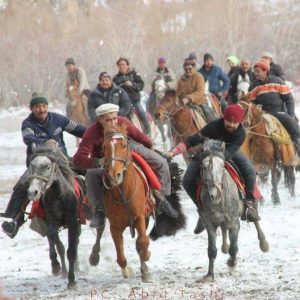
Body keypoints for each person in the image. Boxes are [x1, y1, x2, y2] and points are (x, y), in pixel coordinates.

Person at [73, 103, 178, 228]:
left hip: (128, 148)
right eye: (108, 120)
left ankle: (162, 198)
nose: (112, 122)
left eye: (114, 118)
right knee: (91, 175)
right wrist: (99, 161)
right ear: (100, 119)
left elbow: (141, 137)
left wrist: (151, 147)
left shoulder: (123, 122)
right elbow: (78, 159)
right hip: (106, 157)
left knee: (161, 162)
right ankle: (99, 211)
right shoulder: (92, 132)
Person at [0, 93, 86, 238]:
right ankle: (15, 221)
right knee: (22, 186)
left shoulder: (59, 119)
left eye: (44, 106)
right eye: (38, 106)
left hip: (61, 161)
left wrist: (98, 133)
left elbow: (80, 130)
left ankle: (98, 209)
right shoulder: (28, 124)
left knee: (91, 170)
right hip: (37, 165)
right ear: (32, 108)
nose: (42, 109)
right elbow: (29, 139)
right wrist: (44, 142)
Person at [167, 104, 260, 234]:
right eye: (229, 121)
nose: (232, 125)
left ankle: (250, 205)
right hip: (208, 150)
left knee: (250, 171)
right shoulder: (214, 126)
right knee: (187, 180)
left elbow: (228, 154)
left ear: (239, 122)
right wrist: (173, 152)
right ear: (224, 119)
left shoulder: (240, 134)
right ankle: (202, 210)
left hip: (229, 152)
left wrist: (218, 157)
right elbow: (192, 140)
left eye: (235, 123)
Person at [248, 59, 300, 155]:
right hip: (263, 115)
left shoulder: (278, 81)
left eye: (258, 71)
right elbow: (251, 103)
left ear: (265, 71)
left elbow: (289, 99)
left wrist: (291, 114)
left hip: (279, 113)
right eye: (254, 71)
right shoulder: (253, 87)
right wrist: (256, 108)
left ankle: (297, 150)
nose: (255, 73)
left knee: (294, 127)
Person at [113, 58, 150, 136]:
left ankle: (148, 133)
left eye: (123, 64)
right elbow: (113, 90)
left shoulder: (134, 74)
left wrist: (132, 85)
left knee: (142, 113)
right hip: (122, 102)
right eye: (120, 65)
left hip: (134, 100)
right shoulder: (115, 78)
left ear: (127, 65)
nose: (122, 66)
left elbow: (141, 85)